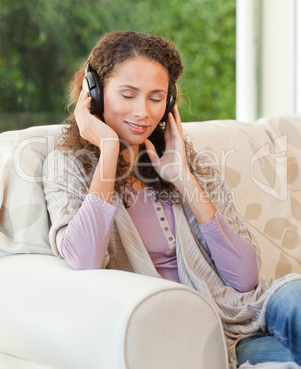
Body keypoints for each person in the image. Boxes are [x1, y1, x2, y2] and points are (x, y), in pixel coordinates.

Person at [43, 30, 301, 368]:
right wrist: (109, 151)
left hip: (249, 311)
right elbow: (84, 261)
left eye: (155, 97)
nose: (142, 112)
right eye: (128, 94)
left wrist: (184, 179)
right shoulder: (68, 165)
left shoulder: (189, 164)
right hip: (194, 337)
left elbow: (245, 278)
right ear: (94, 95)